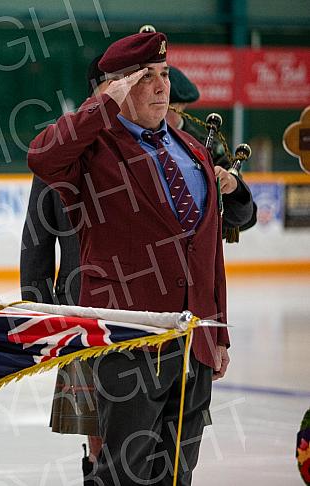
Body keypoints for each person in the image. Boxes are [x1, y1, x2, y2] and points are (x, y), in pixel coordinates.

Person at [28, 32, 231, 485]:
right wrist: (102, 104)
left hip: (193, 341)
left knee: (178, 473)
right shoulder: (94, 151)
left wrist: (218, 332)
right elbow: (41, 156)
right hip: (128, 340)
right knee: (123, 472)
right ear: (118, 86)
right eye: (147, 78)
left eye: (164, 75)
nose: (163, 87)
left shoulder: (193, 151)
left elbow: (207, 251)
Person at [20, 53, 108, 475]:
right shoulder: (59, 150)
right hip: (80, 315)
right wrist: (41, 314)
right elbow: (36, 240)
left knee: (158, 429)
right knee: (98, 432)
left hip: (153, 313)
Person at [166, 66, 257, 235]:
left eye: (168, 107)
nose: (160, 114)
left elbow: (244, 217)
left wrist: (233, 187)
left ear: (183, 105)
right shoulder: (136, 140)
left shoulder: (208, 146)